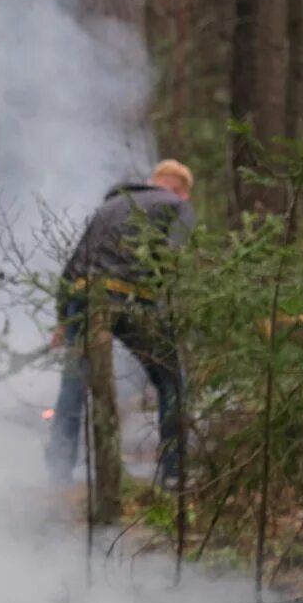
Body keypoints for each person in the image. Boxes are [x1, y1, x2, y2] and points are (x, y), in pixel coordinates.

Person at [46, 159, 197, 489]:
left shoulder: (112, 205)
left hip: (84, 297)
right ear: (183, 192)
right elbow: (175, 253)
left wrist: (63, 320)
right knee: (172, 380)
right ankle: (174, 474)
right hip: (131, 297)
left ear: (154, 181)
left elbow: (73, 266)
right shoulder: (177, 207)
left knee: (74, 384)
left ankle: (57, 476)